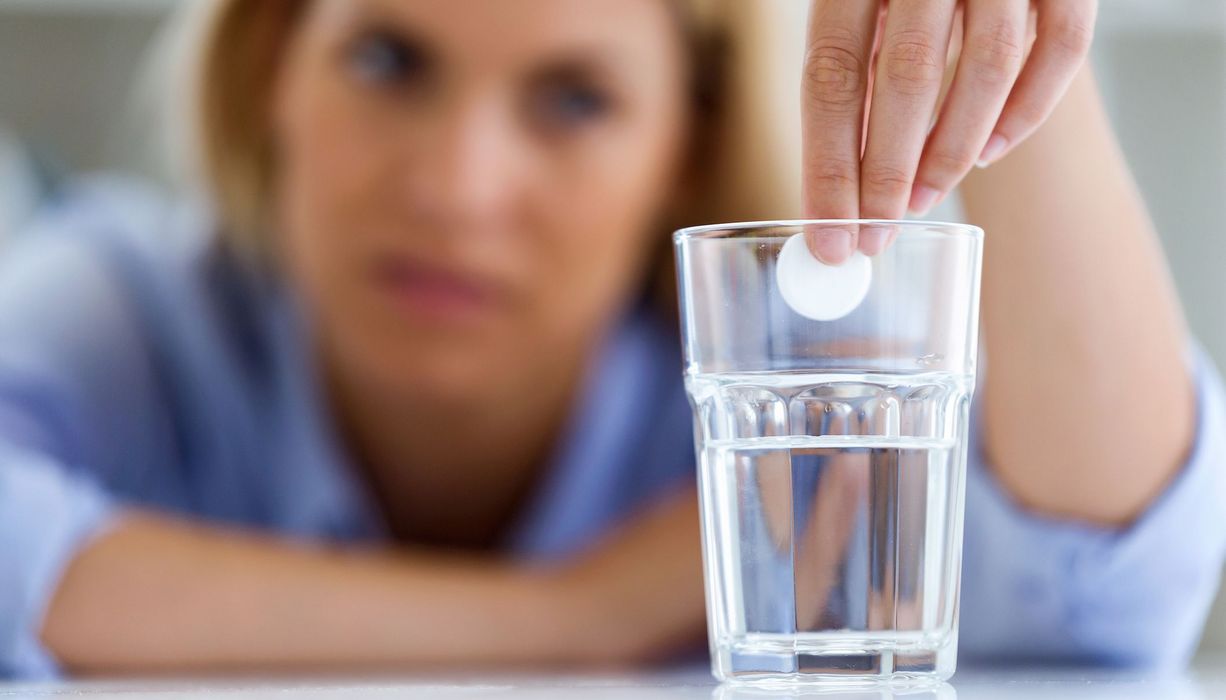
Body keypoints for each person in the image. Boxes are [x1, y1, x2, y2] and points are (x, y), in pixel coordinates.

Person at [0, 0, 1221, 679]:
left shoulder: (778, 361)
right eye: (386, 60)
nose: (457, 188)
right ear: (271, 67)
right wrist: (574, 613)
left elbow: (1107, 592)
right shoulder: (133, 313)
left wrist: (1001, 61)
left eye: (574, 98)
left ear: (680, 149)